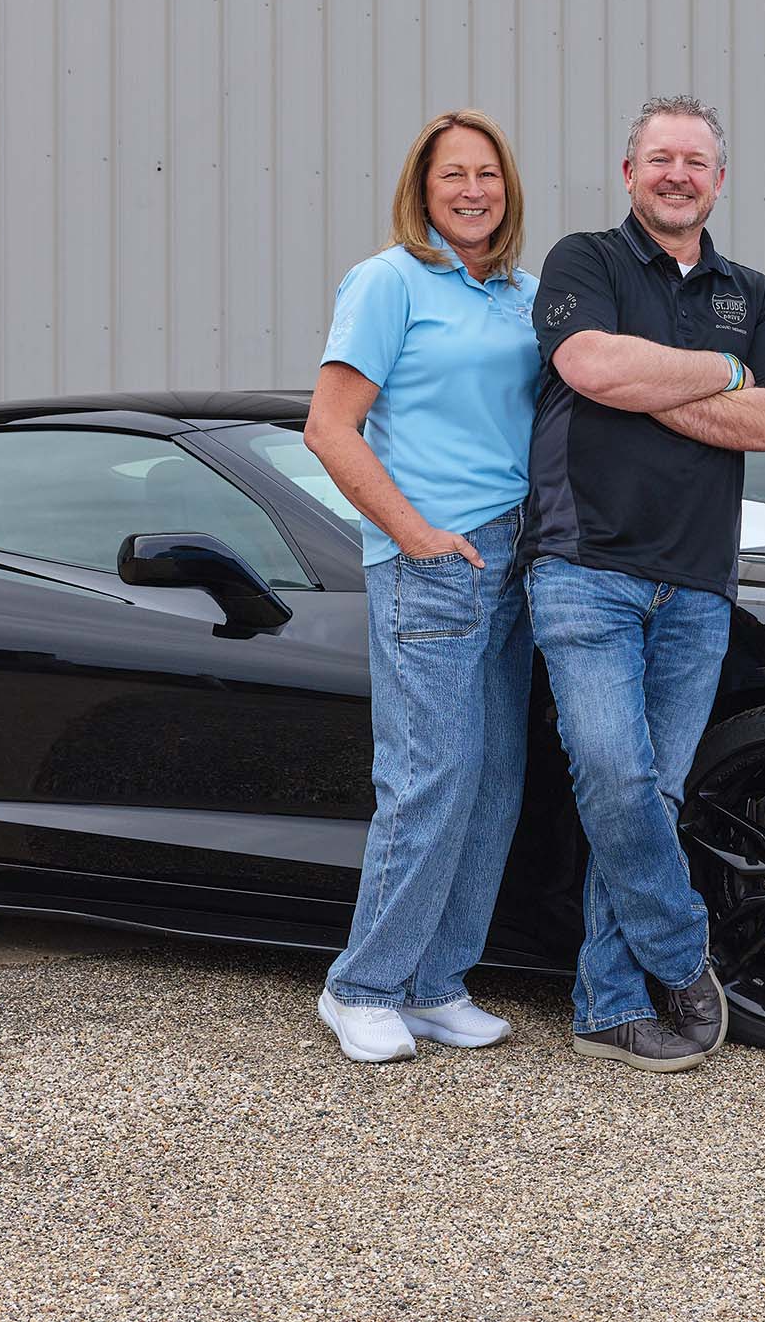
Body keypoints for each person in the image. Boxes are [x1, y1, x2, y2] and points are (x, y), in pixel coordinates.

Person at [528, 95, 765, 1073]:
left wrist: (661, 387)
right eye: (660, 158)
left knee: (652, 788)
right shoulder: (583, 262)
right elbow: (590, 364)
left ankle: (607, 1004)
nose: (677, 173)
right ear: (628, 172)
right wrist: (722, 375)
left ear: (718, 181)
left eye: (695, 160)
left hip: (695, 584)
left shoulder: (753, 293)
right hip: (584, 567)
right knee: (612, 772)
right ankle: (682, 952)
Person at [305, 109, 542, 1065]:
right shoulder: (388, 281)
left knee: (492, 780)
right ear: (423, 186)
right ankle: (359, 985)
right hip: (433, 560)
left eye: (487, 174)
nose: (472, 190)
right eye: (454, 176)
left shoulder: (522, 293)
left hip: (517, 555)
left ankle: (437, 982)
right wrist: (414, 534)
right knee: (428, 776)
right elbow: (329, 426)